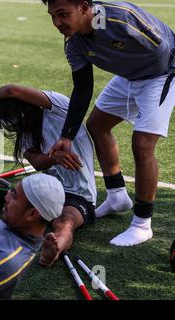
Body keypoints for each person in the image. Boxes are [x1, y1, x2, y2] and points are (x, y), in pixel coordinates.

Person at [42, 0, 175, 246]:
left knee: (143, 143)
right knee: (97, 125)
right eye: (53, 16)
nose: (57, 23)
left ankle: (142, 224)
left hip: (164, 73)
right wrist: (67, 136)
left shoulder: (121, 18)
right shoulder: (74, 43)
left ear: (83, 7)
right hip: (129, 76)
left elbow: (164, 48)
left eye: (62, 14)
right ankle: (116, 196)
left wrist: (144, 85)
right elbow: (82, 88)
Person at [0, 85, 97, 266]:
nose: (19, 128)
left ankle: (55, 247)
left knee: (65, 222)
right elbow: (38, 162)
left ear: (26, 108)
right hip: (46, 191)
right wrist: (53, 157)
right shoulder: (27, 131)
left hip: (80, 194)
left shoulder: (58, 107)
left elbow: (11, 90)